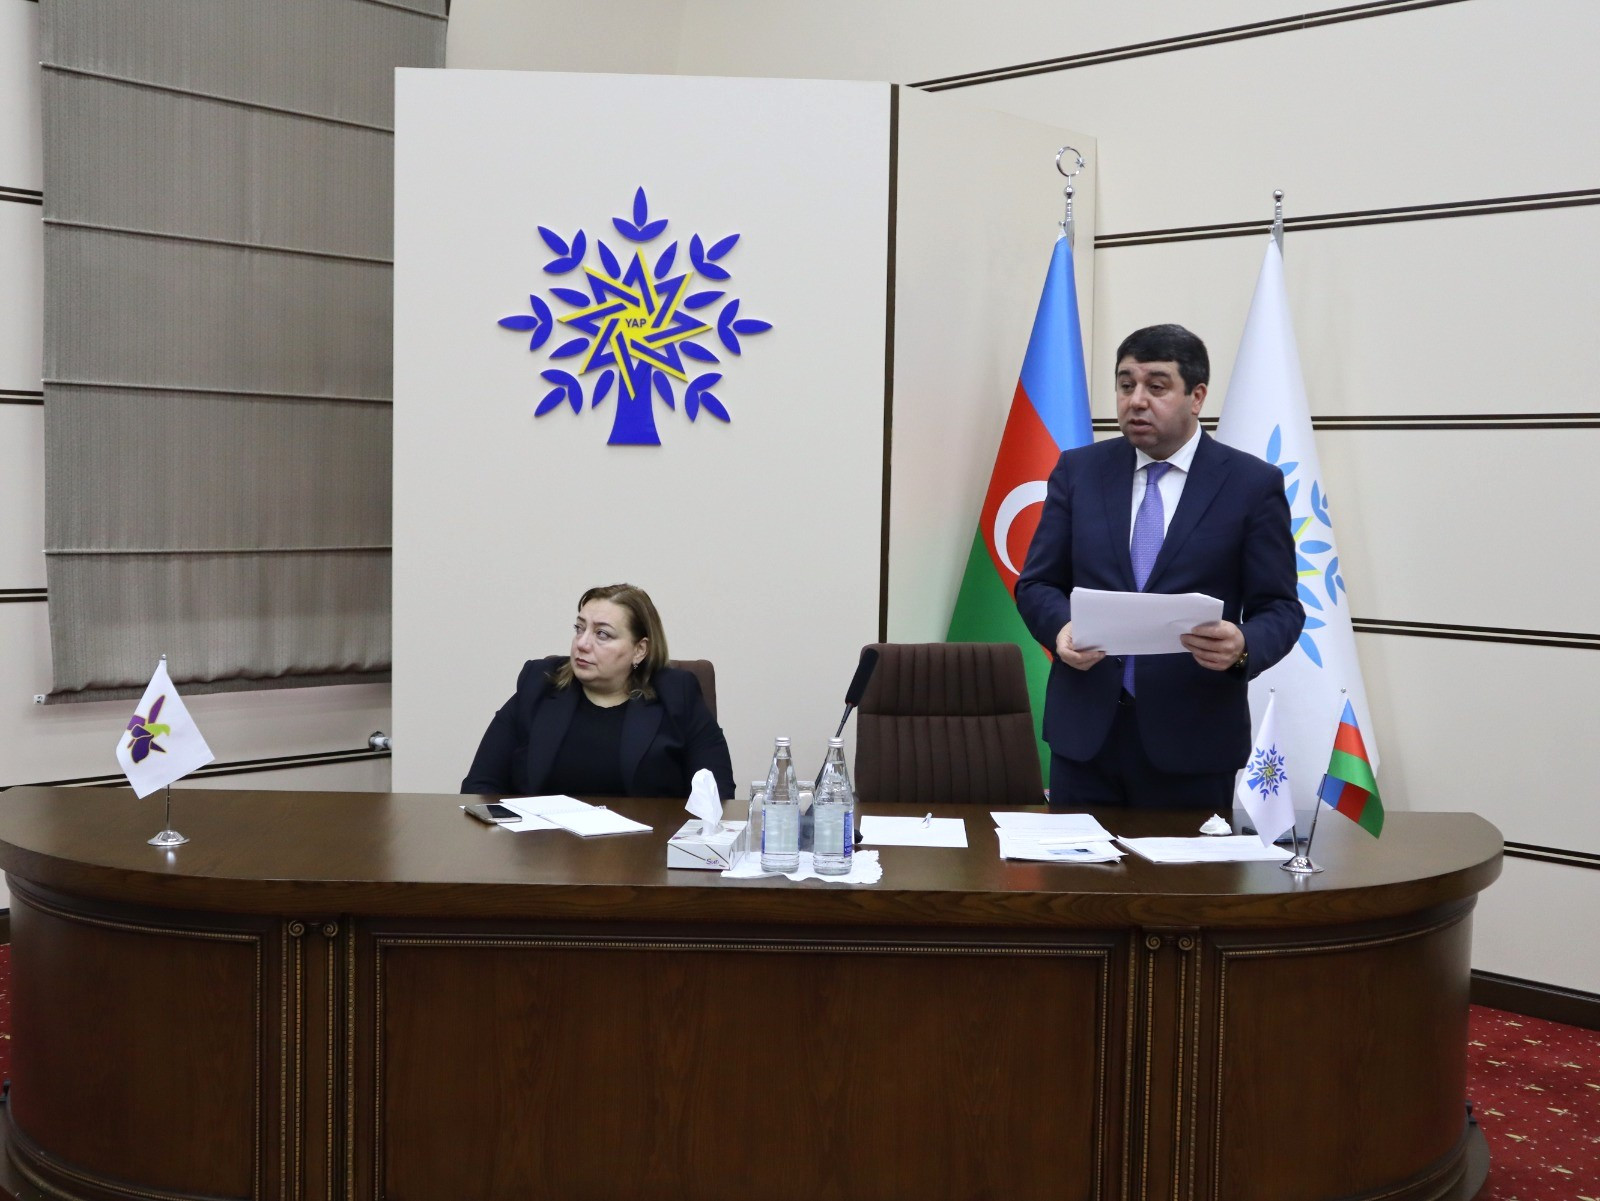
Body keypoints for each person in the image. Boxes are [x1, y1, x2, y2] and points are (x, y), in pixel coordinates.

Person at [1015, 324, 1303, 809]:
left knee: (1186, 864)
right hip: (1085, 740)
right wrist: (1061, 629)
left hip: (1193, 743)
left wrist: (1243, 645)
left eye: (1157, 386)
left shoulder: (1251, 485)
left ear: (1197, 396)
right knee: (1075, 863)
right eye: (1126, 385)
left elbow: (1281, 607)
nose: (1136, 401)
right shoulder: (1079, 471)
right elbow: (1037, 583)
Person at [461, 583, 735, 799]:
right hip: (543, 848)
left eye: (602, 634)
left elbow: (716, 795)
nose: (582, 643)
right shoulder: (539, 683)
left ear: (640, 650)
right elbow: (480, 786)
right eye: (579, 628)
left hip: (646, 849)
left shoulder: (678, 694)